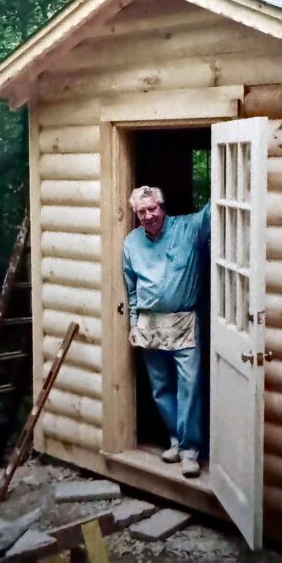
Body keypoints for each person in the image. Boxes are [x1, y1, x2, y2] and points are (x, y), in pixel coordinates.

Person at [122, 185, 210, 478]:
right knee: (161, 388)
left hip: (184, 319)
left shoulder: (188, 227)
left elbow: (216, 209)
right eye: (142, 212)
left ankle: (189, 450)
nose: (148, 216)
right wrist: (133, 325)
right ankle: (174, 439)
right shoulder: (131, 243)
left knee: (190, 385)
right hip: (149, 323)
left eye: (152, 208)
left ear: (163, 207)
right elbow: (131, 288)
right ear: (136, 215)